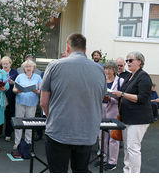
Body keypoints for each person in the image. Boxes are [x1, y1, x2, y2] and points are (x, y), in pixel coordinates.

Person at [40, 33, 107, 173]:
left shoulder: (54, 66)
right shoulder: (99, 69)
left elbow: (43, 102)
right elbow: (99, 98)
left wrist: (51, 118)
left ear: (67, 48)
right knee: (81, 171)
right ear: (86, 50)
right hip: (86, 133)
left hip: (59, 131)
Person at [112, 51, 153, 173]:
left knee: (133, 148)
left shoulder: (143, 76)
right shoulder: (131, 76)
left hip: (138, 118)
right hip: (127, 117)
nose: (128, 63)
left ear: (139, 62)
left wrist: (122, 94)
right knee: (127, 147)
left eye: (131, 60)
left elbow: (143, 98)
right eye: (127, 60)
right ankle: (127, 171)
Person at [96, 61, 124, 171]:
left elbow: (122, 98)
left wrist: (110, 99)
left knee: (113, 137)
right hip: (100, 108)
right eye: (105, 68)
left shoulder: (120, 81)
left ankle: (112, 162)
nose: (107, 71)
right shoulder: (101, 80)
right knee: (101, 135)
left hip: (113, 109)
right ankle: (103, 158)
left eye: (110, 69)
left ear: (114, 70)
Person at [12, 59, 42, 149]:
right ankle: (17, 142)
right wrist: (18, 90)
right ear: (24, 68)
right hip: (20, 102)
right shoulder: (20, 77)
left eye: (30, 66)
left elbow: (40, 91)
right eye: (27, 66)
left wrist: (36, 91)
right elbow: (14, 89)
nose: (28, 68)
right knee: (19, 123)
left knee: (29, 124)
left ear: (33, 68)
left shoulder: (38, 77)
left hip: (32, 103)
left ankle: (28, 142)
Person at [0, 56, 18, 141]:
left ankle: (8, 134)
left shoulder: (14, 72)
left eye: (7, 64)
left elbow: (18, 84)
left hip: (11, 97)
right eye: (3, 64)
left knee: (9, 115)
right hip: (0, 96)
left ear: (10, 64)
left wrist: (13, 82)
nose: (5, 65)